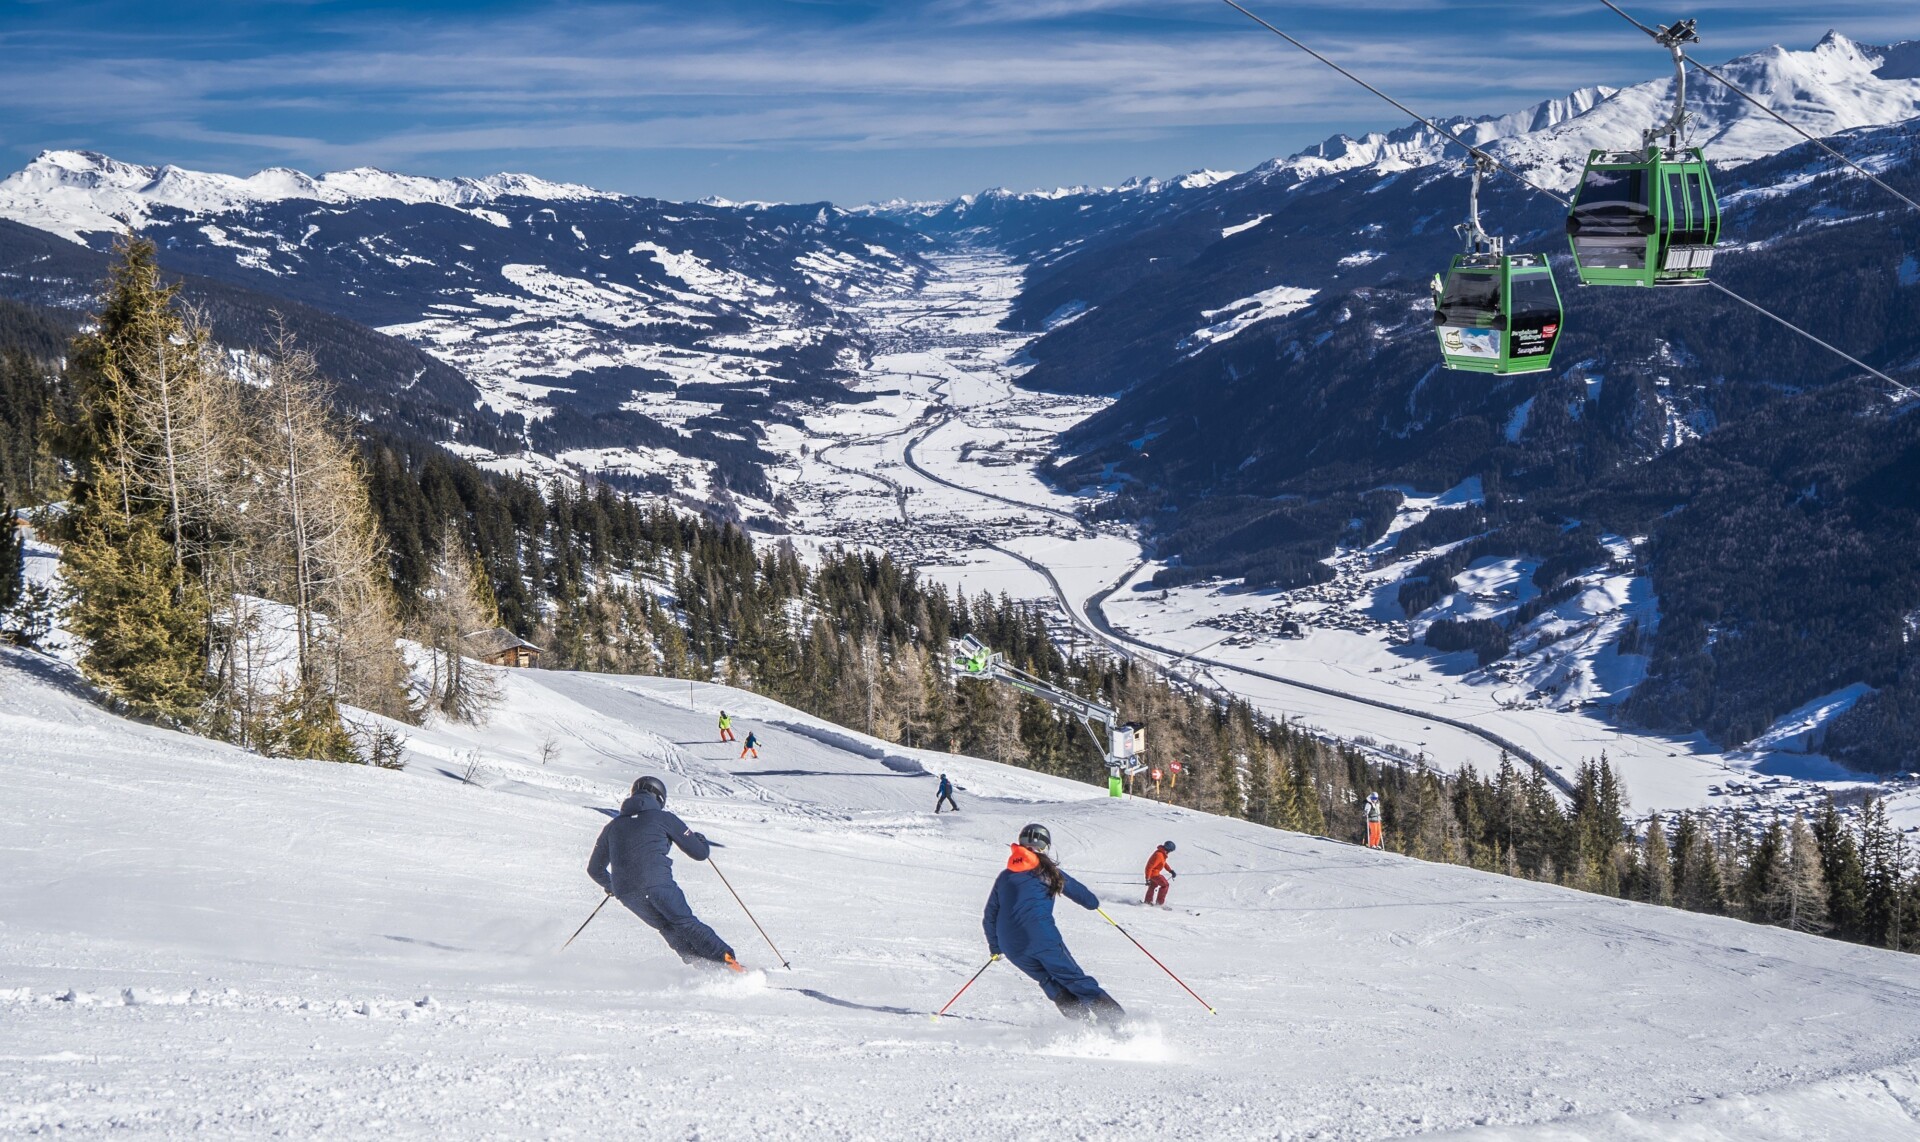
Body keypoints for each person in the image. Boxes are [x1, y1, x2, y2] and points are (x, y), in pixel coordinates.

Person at [587, 776, 744, 972]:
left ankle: (703, 966)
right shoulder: (664, 818)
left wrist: (612, 886)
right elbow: (700, 853)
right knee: (685, 923)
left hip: (627, 893)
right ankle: (729, 963)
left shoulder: (612, 826)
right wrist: (701, 840)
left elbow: (594, 869)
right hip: (657, 884)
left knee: (667, 928)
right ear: (660, 797)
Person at [983, 823, 1125, 1027]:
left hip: (1011, 946)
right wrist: (1093, 905)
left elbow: (990, 916)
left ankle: (1083, 1026)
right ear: (1045, 847)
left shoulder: (1005, 876)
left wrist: (995, 947)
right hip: (1041, 938)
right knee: (1073, 979)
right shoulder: (1048, 871)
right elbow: (1087, 898)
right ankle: (1119, 1023)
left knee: (1049, 981)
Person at [1144, 841, 1177, 906]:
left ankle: (1147, 902)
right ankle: (1159, 904)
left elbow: (1163, 863)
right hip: (1154, 874)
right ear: (1168, 849)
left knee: (1152, 886)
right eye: (1170, 850)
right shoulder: (1159, 855)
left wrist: (1170, 870)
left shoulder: (1162, 853)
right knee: (1165, 885)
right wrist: (1147, 878)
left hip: (1153, 874)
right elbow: (1149, 867)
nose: (1170, 852)